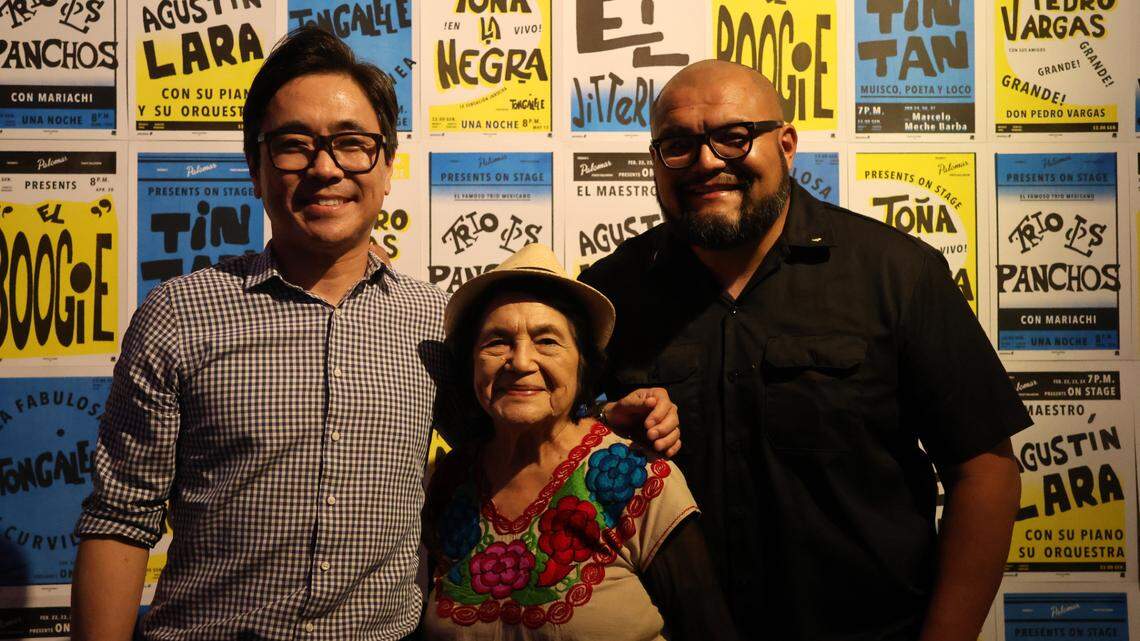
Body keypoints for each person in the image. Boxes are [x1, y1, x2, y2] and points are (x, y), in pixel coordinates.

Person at [70, 27, 678, 641]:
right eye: (293, 146)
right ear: (255, 168)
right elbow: (120, 518)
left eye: (351, 144)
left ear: (387, 168)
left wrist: (603, 421)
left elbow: (509, 437)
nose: (324, 167)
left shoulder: (436, 322)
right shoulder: (180, 312)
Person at [578, 59, 1031, 641]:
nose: (707, 162)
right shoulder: (608, 294)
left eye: (734, 137)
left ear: (786, 145)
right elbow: (548, 456)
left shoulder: (897, 273)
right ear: (656, 160)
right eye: (678, 145)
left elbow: (984, 472)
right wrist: (600, 431)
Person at [423, 243, 734, 641]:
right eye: (496, 341)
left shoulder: (637, 479)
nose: (520, 362)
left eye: (547, 341)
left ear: (582, 362)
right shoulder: (449, 484)